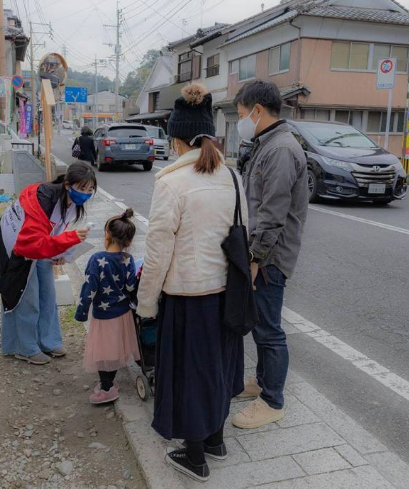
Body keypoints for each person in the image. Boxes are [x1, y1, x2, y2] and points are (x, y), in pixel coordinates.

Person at [137, 83, 247, 482]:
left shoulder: (170, 184)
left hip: (187, 296)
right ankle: (216, 438)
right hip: (227, 295)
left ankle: (195, 455)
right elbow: (242, 236)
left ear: (177, 139)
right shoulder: (231, 178)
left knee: (189, 376)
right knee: (218, 368)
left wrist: (146, 302)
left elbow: (158, 251)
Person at [230, 80, 308, 430]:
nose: (241, 120)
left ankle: (272, 400)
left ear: (257, 110)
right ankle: (262, 382)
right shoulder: (268, 144)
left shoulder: (279, 150)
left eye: (242, 114)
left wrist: (255, 256)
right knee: (262, 325)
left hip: (270, 257)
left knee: (268, 329)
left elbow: (273, 214)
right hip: (264, 252)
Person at [0, 163, 97, 365]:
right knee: (26, 294)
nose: (85, 193)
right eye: (81, 188)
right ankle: (25, 347)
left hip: (38, 244)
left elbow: (52, 234)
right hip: (16, 245)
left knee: (48, 293)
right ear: (67, 185)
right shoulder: (42, 199)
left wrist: (59, 253)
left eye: (89, 189)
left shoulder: (71, 204)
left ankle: (48, 340)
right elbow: (30, 244)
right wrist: (70, 239)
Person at [75, 209, 140, 405]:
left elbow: (89, 288)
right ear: (128, 242)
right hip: (122, 313)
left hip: (104, 315)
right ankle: (108, 384)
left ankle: (107, 388)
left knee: (104, 353)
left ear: (107, 235)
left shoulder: (97, 259)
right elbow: (130, 287)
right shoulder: (127, 260)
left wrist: (81, 312)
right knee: (114, 349)